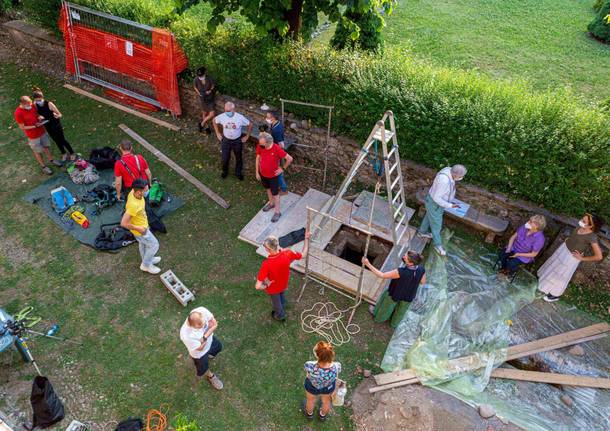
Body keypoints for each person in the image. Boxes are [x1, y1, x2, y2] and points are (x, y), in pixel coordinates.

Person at [538, 213, 604, 302]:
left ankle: (554, 295)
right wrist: (568, 241)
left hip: (570, 258)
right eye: (582, 219)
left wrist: (582, 258)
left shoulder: (592, 237)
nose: (581, 222)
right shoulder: (580, 227)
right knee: (553, 266)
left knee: (560, 275)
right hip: (563, 250)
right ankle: (543, 283)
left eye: (584, 221)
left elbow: (599, 256)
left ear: (591, 226)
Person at [362, 251, 426, 328]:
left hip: (395, 292)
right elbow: (422, 282)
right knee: (401, 310)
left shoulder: (401, 272)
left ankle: (379, 318)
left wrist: (367, 264)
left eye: (405, 257)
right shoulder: (421, 269)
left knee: (386, 306)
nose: (404, 256)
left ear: (410, 263)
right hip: (409, 295)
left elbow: (382, 275)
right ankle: (394, 324)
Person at [255, 232, 310, 321]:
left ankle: (280, 315)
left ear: (268, 249)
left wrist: (266, 285)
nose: (264, 247)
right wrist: (306, 239)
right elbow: (303, 255)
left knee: (276, 302)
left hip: (273, 288)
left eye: (264, 246)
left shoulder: (266, 264)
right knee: (281, 293)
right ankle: (283, 302)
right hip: (283, 283)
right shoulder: (288, 253)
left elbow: (257, 286)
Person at [417, 164, 467, 256]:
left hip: (432, 202)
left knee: (429, 216)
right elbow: (437, 198)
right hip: (435, 204)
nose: (461, 178)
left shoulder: (448, 169)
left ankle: (421, 232)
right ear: (455, 175)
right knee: (436, 225)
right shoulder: (444, 181)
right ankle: (438, 245)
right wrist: (450, 205)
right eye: (460, 177)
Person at [120, 179, 161, 274]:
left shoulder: (133, 192)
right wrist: (139, 228)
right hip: (141, 230)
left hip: (142, 225)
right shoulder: (133, 205)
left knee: (143, 244)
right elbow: (123, 223)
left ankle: (147, 259)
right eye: (146, 190)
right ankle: (146, 265)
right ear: (139, 192)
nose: (148, 191)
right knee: (154, 245)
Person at [14, 95, 62, 175]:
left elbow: (36, 114)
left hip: (42, 131)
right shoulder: (18, 113)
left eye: (30, 103)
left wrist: (40, 117)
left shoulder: (32, 105)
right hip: (33, 136)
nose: (30, 105)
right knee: (37, 151)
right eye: (27, 105)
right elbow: (22, 127)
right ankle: (43, 166)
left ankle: (51, 160)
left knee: (46, 146)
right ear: (22, 104)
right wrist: (34, 126)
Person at [179, 307, 224, 390]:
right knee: (204, 367)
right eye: (201, 326)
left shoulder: (201, 310)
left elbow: (214, 324)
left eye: (204, 323)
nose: (204, 325)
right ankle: (211, 376)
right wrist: (209, 330)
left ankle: (209, 355)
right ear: (194, 326)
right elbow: (200, 348)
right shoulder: (186, 335)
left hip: (210, 341)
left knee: (219, 347)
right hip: (199, 354)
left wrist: (204, 337)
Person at [255, 132, 293, 223]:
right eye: (260, 144)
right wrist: (257, 172)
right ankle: (271, 203)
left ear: (268, 143)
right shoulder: (260, 146)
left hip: (273, 176)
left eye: (262, 144)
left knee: (275, 193)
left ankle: (277, 212)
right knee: (267, 189)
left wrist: (282, 168)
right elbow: (257, 158)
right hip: (263, 174)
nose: (260, 146)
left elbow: (290, 158)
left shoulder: (277, 148)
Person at [32, 88, 76, 162]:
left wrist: (57, 115)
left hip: (55, 124)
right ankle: (63, 153)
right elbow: (36, 114)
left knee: (62, 139)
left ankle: (72, 153)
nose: (39, 102)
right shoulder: (35, 105)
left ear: (42, 97)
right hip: (47, 125)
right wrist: (39, 117)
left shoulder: (49, 103)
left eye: (40, 100)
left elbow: (60, 114)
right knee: (56, 140)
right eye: (37, 100)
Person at [302, 341, 342, 421]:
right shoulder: (337, 366)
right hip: (328, 387)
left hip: (312, 386)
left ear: (317, 355)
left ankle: (309, 415)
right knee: (326, 401)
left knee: (310, 400)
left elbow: (307, 374)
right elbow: (338, 373)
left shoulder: (309, 365)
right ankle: (322, 416)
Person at [213, 101, 252, 180]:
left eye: (228, 111)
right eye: (225, 110)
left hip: (237, 141)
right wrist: (217, 133)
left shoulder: (240, 117)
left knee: (238, 157)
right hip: (226, 141)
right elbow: (214, 121)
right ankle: (225, 171)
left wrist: (247, 136)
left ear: (233, 109)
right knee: (225, 158)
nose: (226, 112)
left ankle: (238, 173)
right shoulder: (222, 116)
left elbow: (250, 124)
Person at [266, 111, 288, 194]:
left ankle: (283, 189)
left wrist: (277, 154)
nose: (266, 118)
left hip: (277, 151)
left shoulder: (277, 130)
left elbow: (281, 145)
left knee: (277, 170)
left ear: (273, 118)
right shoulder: (275, 124)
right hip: (274, 149)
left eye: (268, 117)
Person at [194, 67, 216, 134]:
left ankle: (201, 124)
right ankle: (207, 127)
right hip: (202, 98)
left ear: (205, 73)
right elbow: (195, 87)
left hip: (210, 98)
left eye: (201, 75)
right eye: (199, 76)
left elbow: (213, 85)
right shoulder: (196, 79)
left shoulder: (209, 78)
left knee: (212, 114)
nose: (200, 77)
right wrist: (199, 93)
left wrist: (210, 90)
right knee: (204, 113)